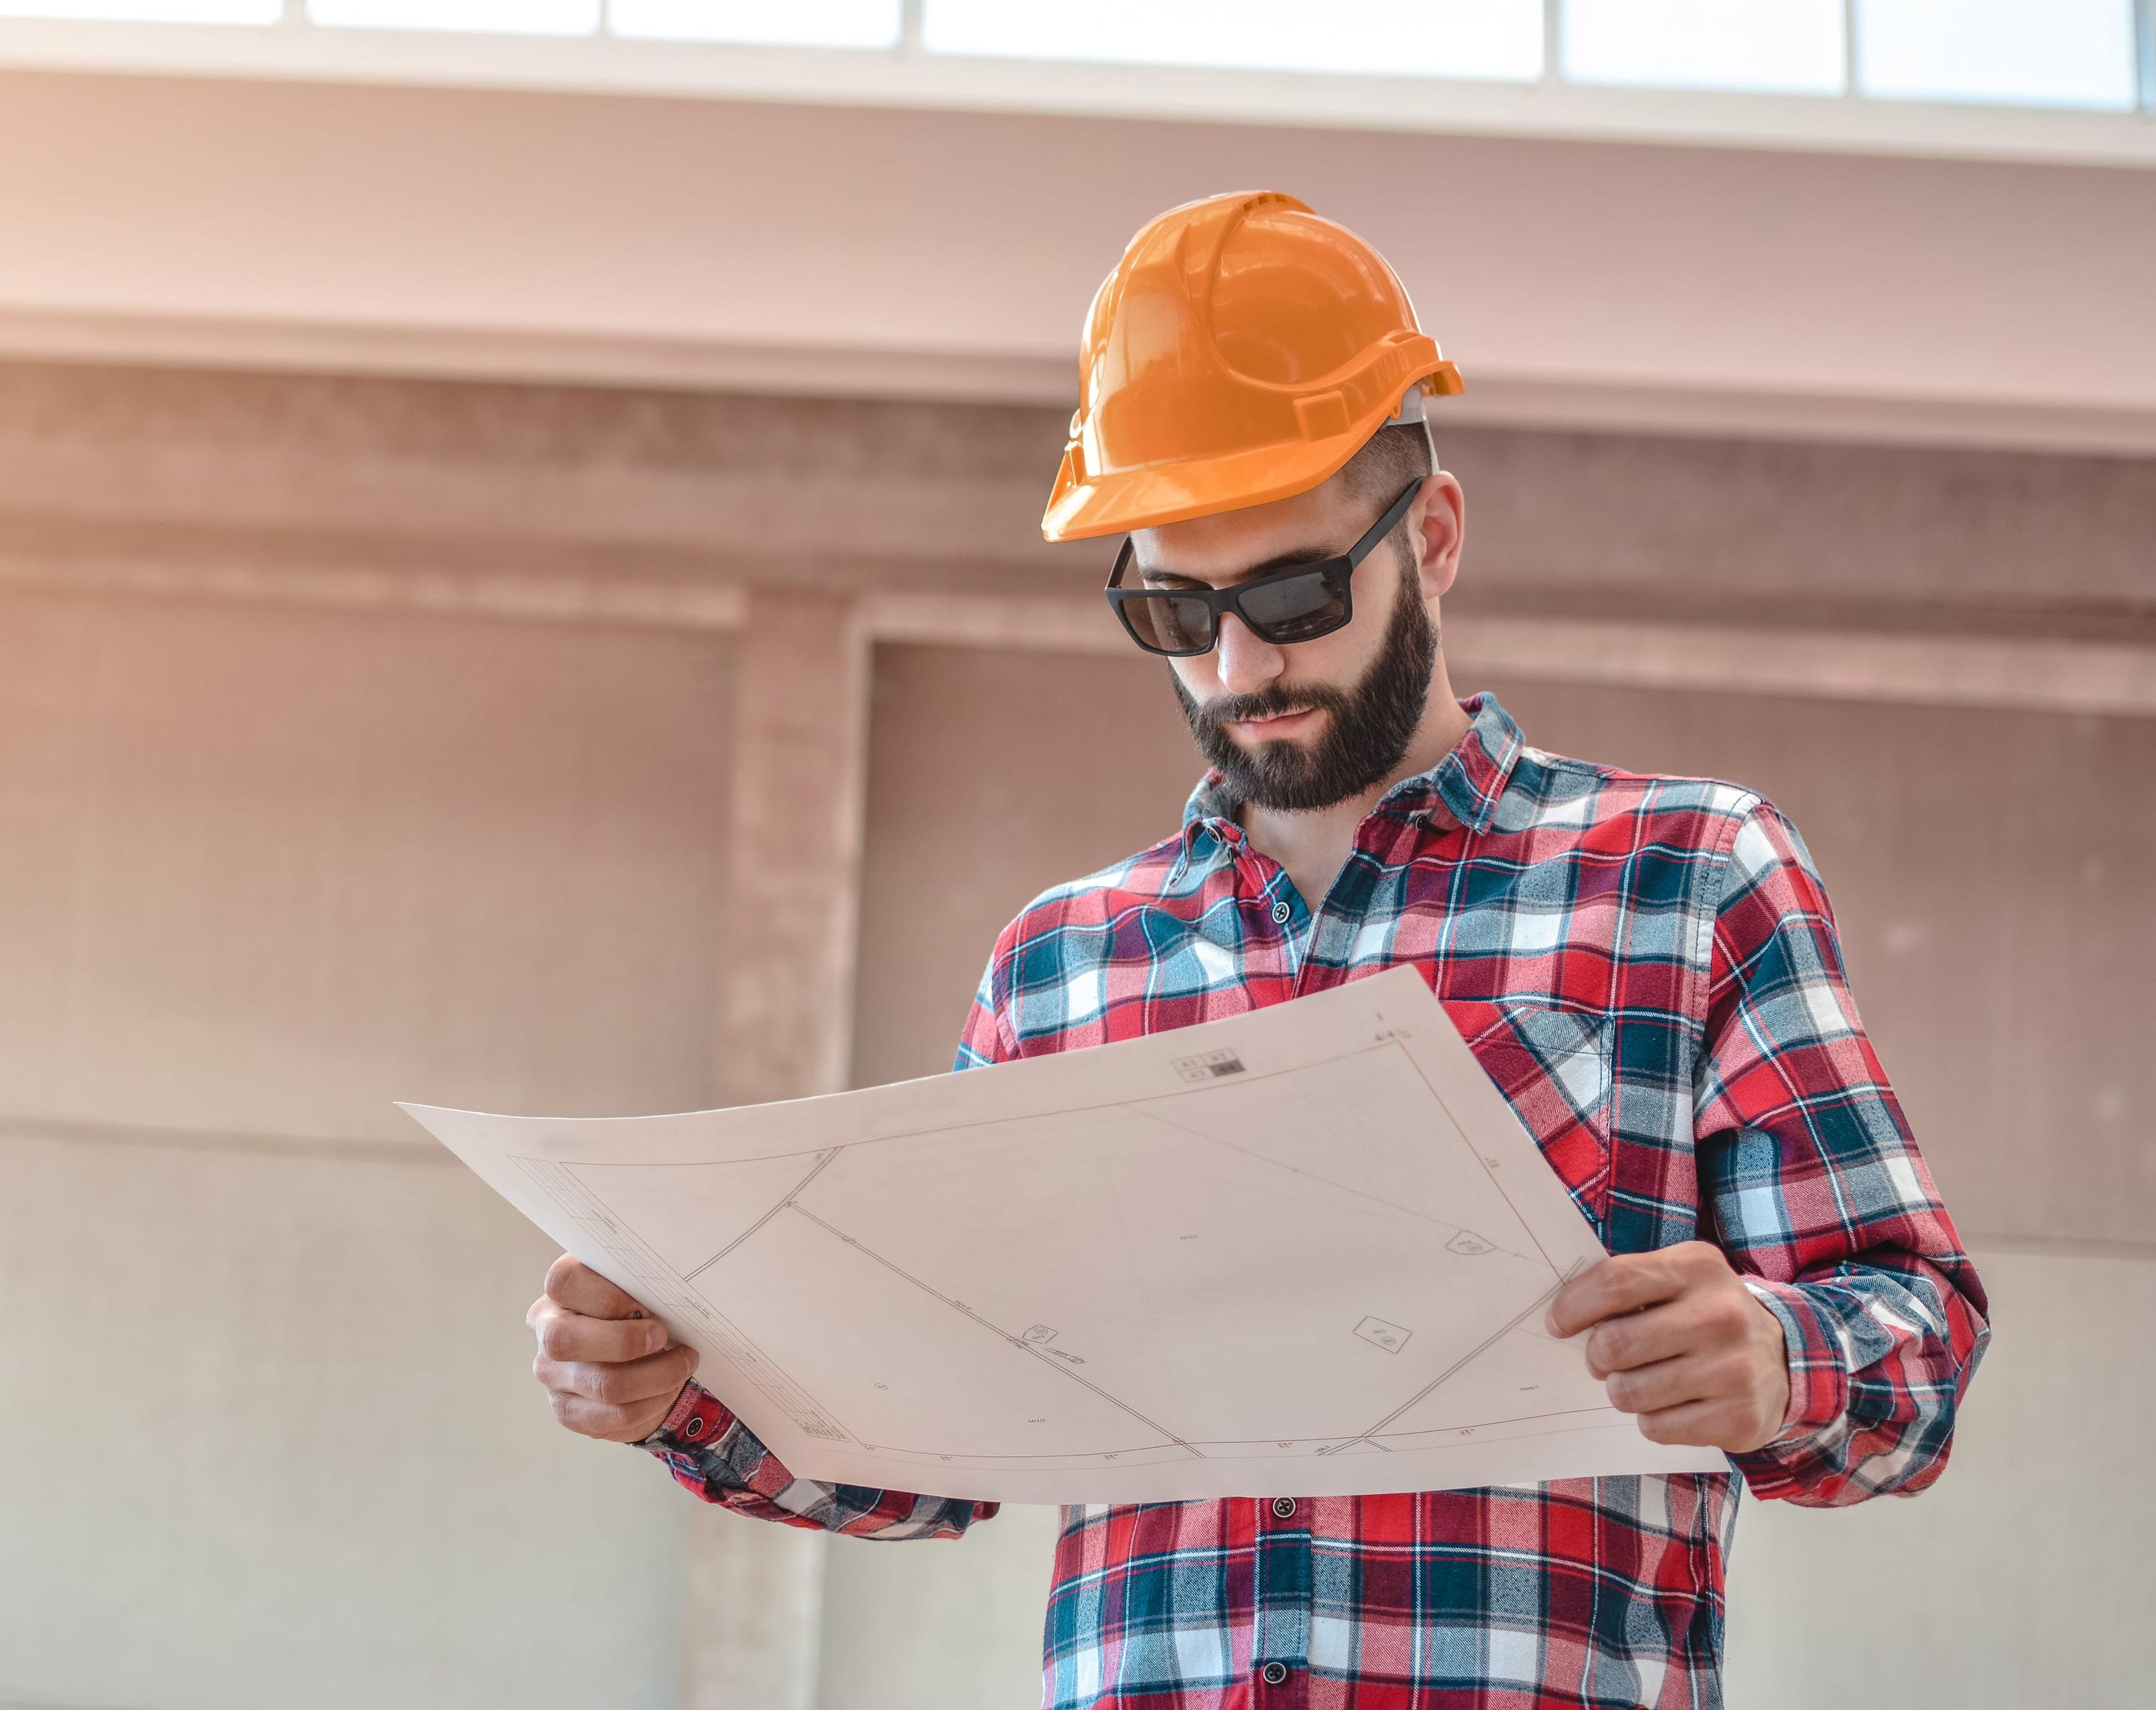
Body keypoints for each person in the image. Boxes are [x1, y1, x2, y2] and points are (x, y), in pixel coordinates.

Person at [524, 193, 1988, 1708]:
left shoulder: (1689, 880)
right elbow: (933, 1454)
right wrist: (675, 1388)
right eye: (1173, 605)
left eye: (1293, 593)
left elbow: (1919, 1346)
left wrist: (1777, 1354)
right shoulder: (1062, 964)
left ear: (1431, 535)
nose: (1238, 663)